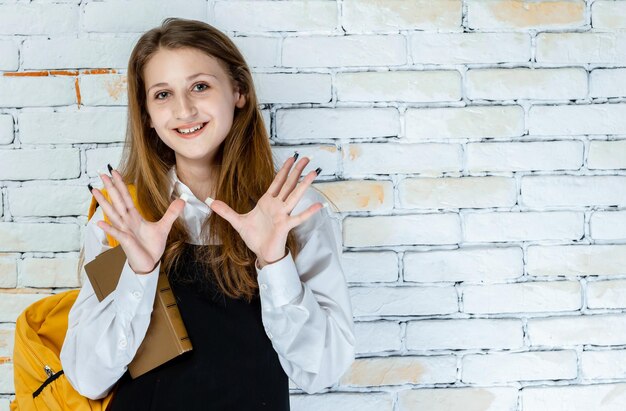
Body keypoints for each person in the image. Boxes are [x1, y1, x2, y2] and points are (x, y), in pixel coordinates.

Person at [59, 17, 355, 410]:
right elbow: (88, 378)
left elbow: (323, 370)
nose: (183, 110)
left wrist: (274, 260)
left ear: (238, 92)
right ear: (146, 113)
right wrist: (140, 272)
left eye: (200, 86)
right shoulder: (124, 218)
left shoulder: (292, 210)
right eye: (162, 94)